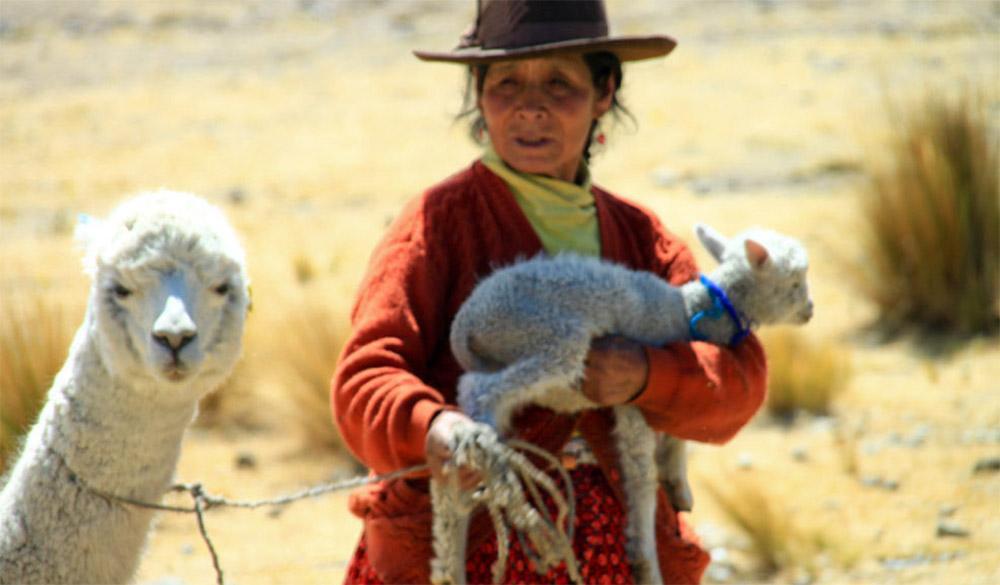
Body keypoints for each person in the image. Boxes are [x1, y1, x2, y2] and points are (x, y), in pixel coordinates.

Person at [332, 1, 767, 583]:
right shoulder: (437, 224)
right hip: (466, 549)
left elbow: (737, 379)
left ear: (604, 91)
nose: (529, 107)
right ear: (480, 95)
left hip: (617, 553)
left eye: (559, 83)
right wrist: (436, 429)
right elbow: (364, 378)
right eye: (506, 83)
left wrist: (645, 375)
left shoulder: (641, 238)